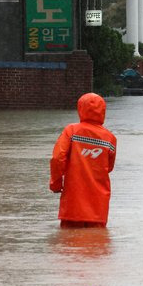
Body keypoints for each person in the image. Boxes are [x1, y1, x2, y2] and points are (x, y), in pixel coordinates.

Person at [49, 93, 117, 228]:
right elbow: (108, 168)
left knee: (69, 244)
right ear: (103, 111)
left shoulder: (71, 131)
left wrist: (56, 183)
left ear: (80, 108)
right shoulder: (110, 138)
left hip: (73, 201)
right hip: (99, 204)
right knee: (97, 243)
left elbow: (58, 158)